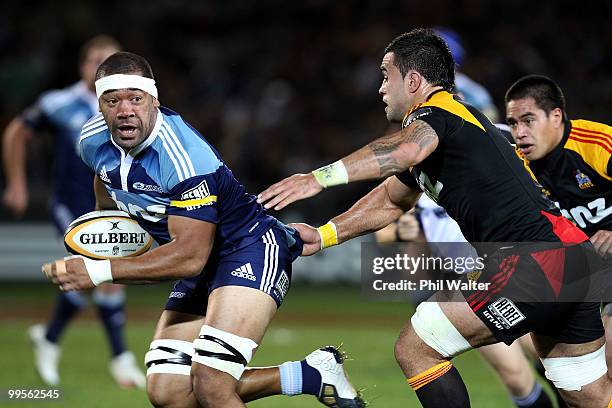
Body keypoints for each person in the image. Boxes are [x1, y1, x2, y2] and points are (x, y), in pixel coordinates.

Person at [257, 29, 611, 407]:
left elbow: (405, 150)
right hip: (572, 260)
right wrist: (325, 235)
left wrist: (318, 178)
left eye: (385, 75)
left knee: (417, 347)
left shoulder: (439, 111)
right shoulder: (444, 131)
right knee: (590, 397)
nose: (380, 88)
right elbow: (391, 201)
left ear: (413, 81)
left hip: (534, 260)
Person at [41, 51, 364, 408]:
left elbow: (189, 258)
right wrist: (105, 230)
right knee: (167, 393)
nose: (125, 110)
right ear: (99, 105)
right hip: (201, 257)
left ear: (154, 101)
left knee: (212, 383)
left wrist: (98, 270)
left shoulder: (184, 159)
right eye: (113, 100)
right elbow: (105, 182)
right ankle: (310, 375)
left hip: (248, 247)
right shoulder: (91, 139)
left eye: (136, 98)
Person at [1, 35, 146, 388]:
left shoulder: (128, 107)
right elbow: (18, 132)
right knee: (102, 274)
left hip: (112, 206)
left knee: (97, 278)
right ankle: (120, 360)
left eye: (110, 60)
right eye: (96, 60)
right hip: (71, 205)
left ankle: (49, 338)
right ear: (83, 66)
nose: (102, 66)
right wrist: (17, 183)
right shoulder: (58, 103)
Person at [376, 196, 554, 408]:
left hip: (509, 270)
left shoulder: (471, 169)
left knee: (548, 357)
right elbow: (384, 231)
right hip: (467, 283)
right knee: (515, 377)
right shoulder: (413, 179)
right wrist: (404, 233)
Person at [504, 74, 612, 374]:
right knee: (566, 369)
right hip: (579, 270)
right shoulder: (519, 166)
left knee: (609, 357)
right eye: (513, 124)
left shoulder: (598, 144)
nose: (520, 133)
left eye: (528, 120)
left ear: (556, 116)